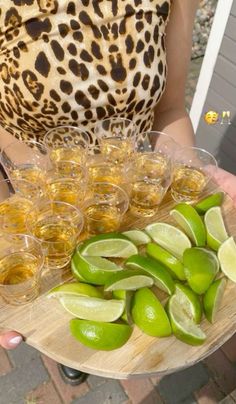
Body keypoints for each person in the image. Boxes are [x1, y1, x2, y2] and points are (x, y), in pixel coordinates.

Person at [1, 0, 236, 384]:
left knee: (120, 294)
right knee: (62, 313)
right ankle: (77, 341)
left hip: (130, 202)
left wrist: (194, 175)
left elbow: (170, 109)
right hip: (43, 208)